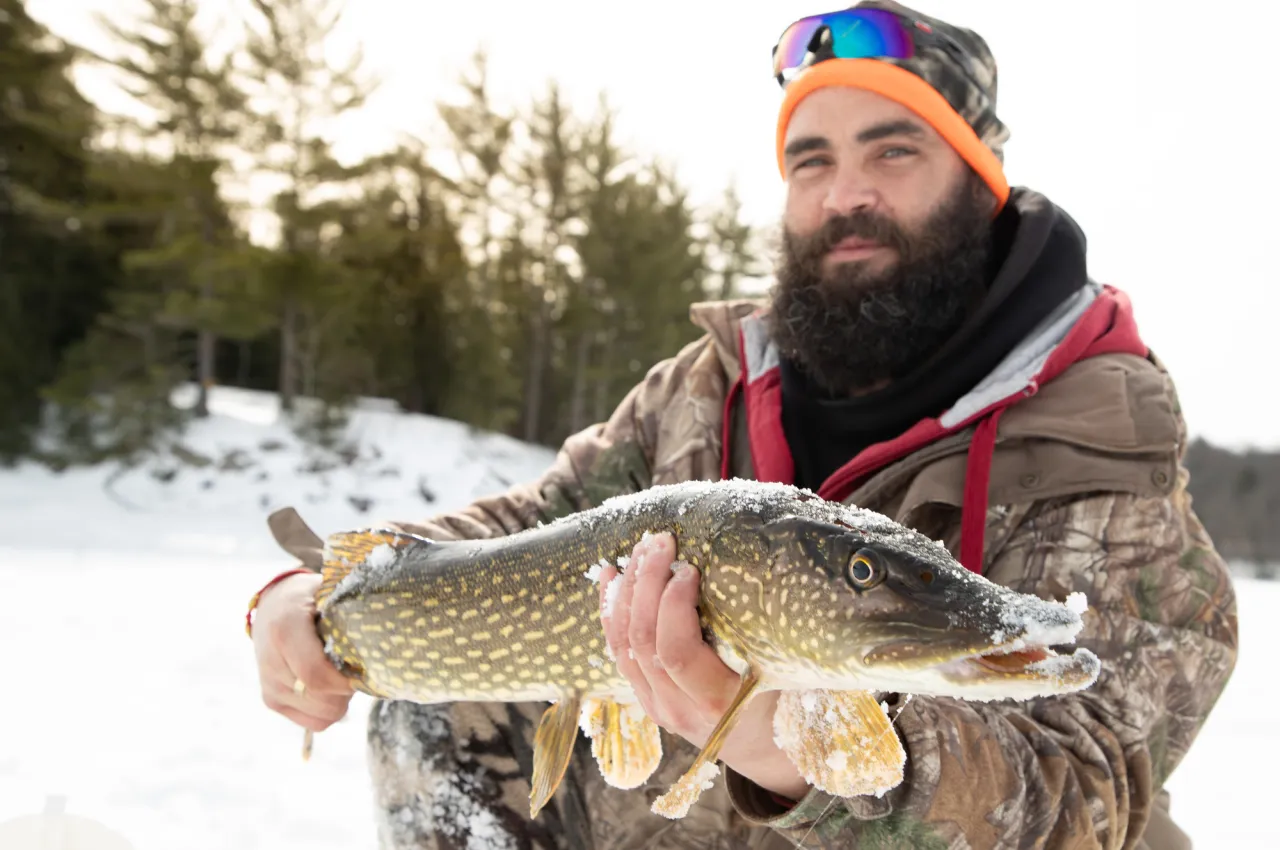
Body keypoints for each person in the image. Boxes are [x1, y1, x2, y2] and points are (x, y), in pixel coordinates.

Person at [246, 2, 1238, 847]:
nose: (844, 195)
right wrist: (318, 591)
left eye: (892, 150)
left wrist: (789, 745)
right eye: (810, 160)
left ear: (979, 181)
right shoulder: (701, 390)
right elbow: (531, 528)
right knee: (427, 715)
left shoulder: (1099, 447)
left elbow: (1088, 793)